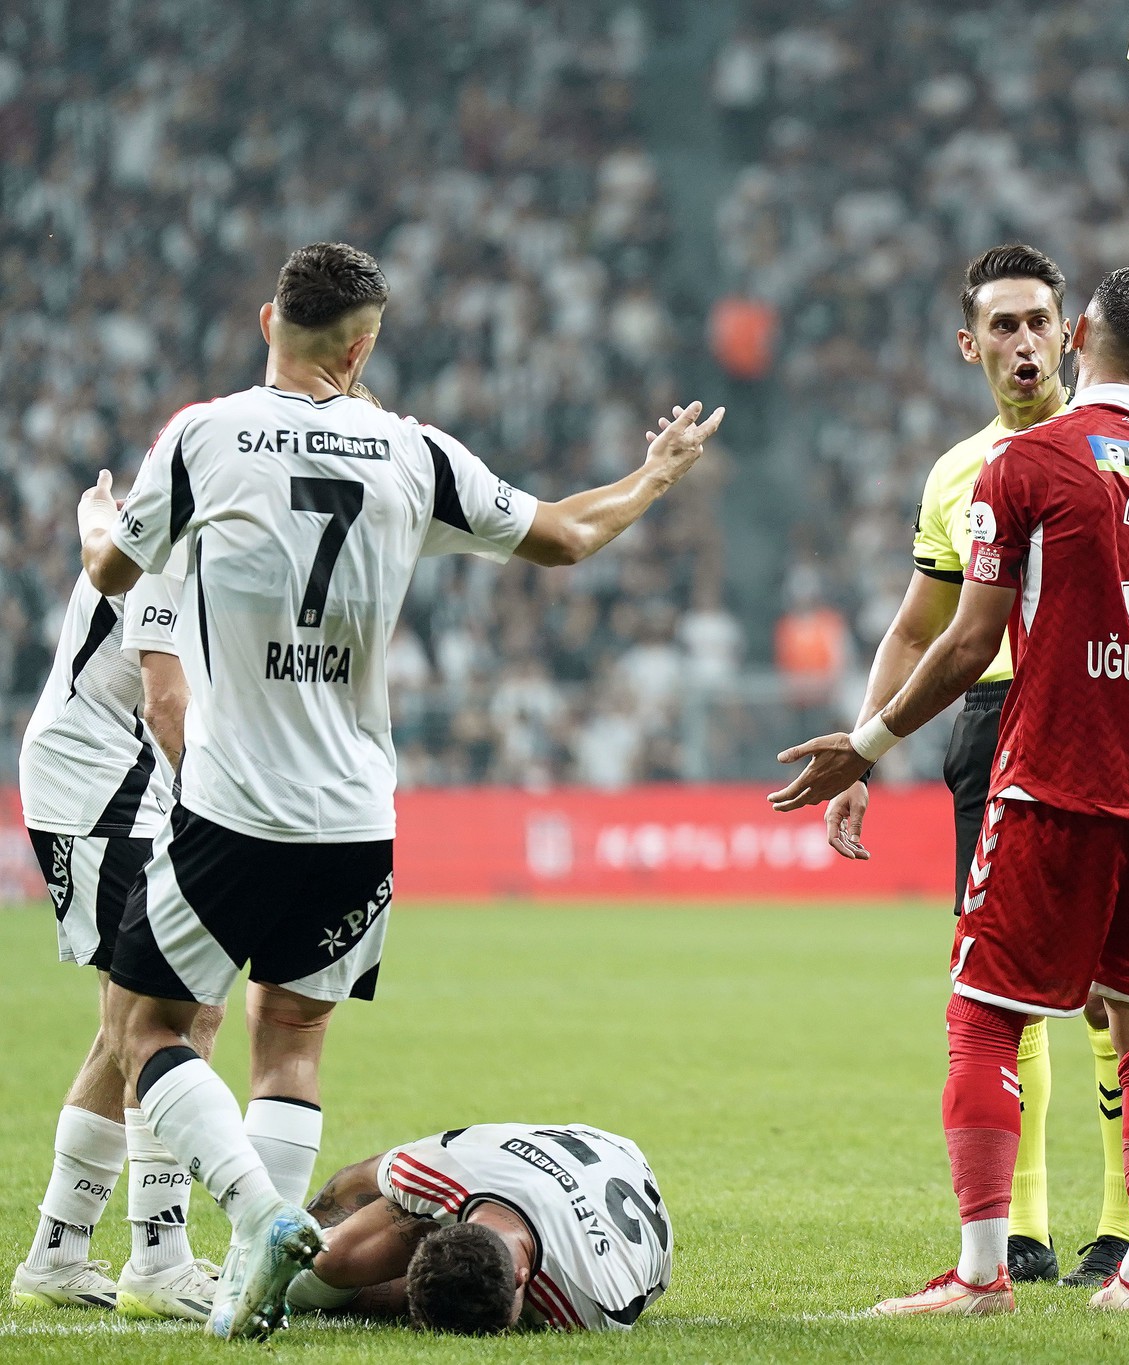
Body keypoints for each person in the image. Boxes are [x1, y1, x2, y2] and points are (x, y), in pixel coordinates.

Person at [75, 240, 724, 1339]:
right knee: (290, 1042)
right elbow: (565, 537)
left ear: (265, 319)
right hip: (358, 823)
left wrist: (99, 525)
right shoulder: (412, 452)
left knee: (148, 1032)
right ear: (364, 346)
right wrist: (656, 473)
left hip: (234, 808)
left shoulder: (203, 435)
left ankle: (254, 1215)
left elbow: (112, 575)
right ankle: (251, 1269)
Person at [772, 265, 1129, 1314]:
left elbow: (971, 638)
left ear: (1077, 337)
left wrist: (866, 742)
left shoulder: (1024, 464)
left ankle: (982, 1273)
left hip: (1052, 780)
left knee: (981, 1017)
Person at [818, 69, 1129, 1289]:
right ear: (969, 343)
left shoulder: (1109, 429)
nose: (1028, 341)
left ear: (1073, 336)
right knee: (1004, 986)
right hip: (986, 720)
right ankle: (1023, 1231)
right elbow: (923, 619)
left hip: (1092, 711)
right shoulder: (957, 472)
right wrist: (861, 749)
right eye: (1004, 325)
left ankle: (1109, 1226)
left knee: (1108, 1000)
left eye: (1044, 320)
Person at [10, 544, 228, 1322]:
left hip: (115, 774)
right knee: (175, 1008)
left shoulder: (181, 527)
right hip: (100, 779)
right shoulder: (180, 544)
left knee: (130, 1024)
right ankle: (160, 1259)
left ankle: (58, 1255)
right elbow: (165, 703)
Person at [282, 1122, 670, 1334]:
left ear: (523, 1279)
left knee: (368, 1291)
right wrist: (276, 1247)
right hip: (532, 1156)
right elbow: (358, 1180)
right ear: (434, 1230)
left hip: (615, 1155)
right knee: (332, 1258)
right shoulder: (435, 1169)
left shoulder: (591, 1305)